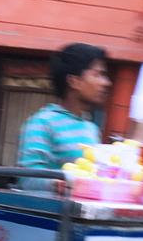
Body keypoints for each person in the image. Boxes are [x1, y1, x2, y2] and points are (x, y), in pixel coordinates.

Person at [16, 43, 111, 191]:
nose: (106, 83)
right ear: (74, 81)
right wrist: (59, 184)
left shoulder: (91, 128)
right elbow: (27, 180)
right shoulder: (41, 123)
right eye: (97, 74)